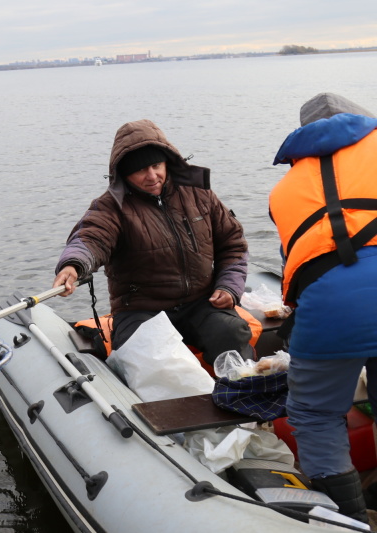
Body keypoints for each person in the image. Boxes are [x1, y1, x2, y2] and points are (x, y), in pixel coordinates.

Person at [53, 119, 253, 365]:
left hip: (201, 302)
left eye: (157, 165)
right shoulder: (110, 207)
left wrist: (229, 287)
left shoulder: (199, 194)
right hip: (140, 309)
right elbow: (91, 238)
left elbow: (233, 244)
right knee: (146, 353)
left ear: (168, 162)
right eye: (140, 170)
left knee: (231, 332)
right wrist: (73, 265)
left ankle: (238, 391)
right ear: (124, 174)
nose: (152, 176)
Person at [269, 93, 377, 524]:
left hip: (332, 308)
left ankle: (349, 520)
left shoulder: (284, 191)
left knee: (314, 414)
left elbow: (295, 269)